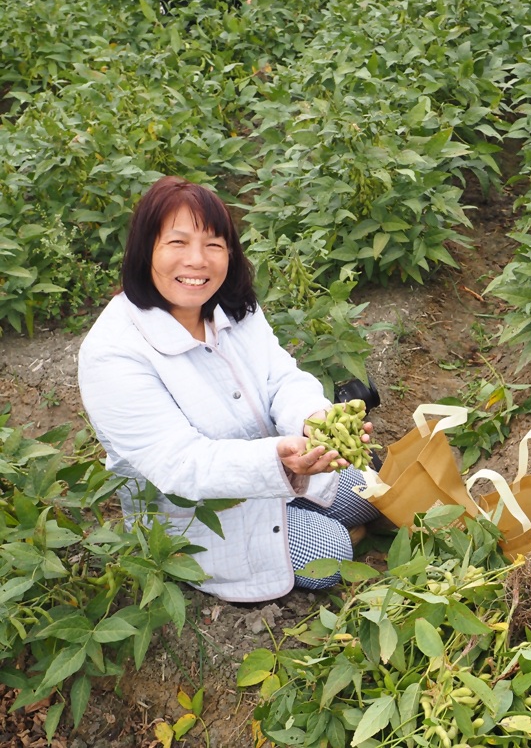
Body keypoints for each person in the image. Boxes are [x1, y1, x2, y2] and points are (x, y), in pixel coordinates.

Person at [78, 175, 382, 603]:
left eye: (214, 244)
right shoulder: (114, 353)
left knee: (376, 493)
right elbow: (180, 464)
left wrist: (314, 419)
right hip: (196, 509)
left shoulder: (231, 307)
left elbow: (282, 378)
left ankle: (316, 511)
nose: (198, 261)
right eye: (178, 243)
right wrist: (278, 459)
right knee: (331, 553)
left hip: (277, 463)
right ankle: (317, 528)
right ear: (146, 248)